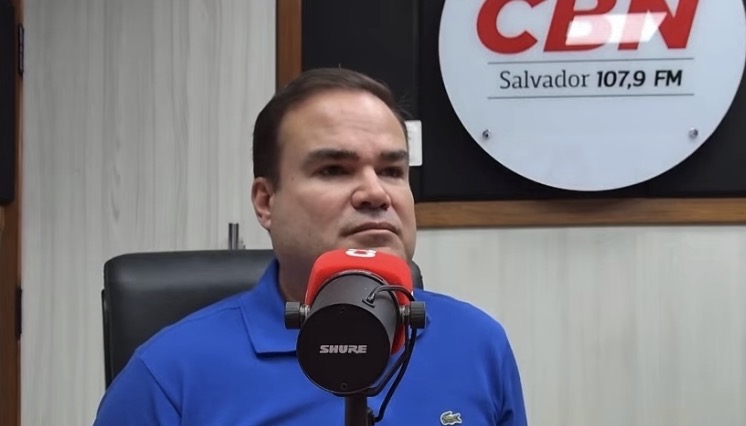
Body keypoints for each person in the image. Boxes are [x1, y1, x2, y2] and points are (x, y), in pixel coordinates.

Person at [93, 67, 528, 425]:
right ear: (266, 202)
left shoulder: (478, 344)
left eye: (392, 171)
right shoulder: (168, 375)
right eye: (334, 170)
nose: (376, 193)